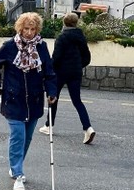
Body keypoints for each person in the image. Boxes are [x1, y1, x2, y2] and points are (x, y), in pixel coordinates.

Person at [0, 12, 58, 190]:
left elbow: (49, 72)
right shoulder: (10, 46)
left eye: (32, 29)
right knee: (18, 135)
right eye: (26, 28)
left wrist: (52, 92)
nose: (28, 32)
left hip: (34, 100)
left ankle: (15, 166)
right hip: (14, 99)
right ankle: (18, 175)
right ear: (20, 28)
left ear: (37, 29)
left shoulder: (41, 47)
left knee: (27, 138)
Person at [40, 12, 95, 144]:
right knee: (77, 101)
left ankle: (49, 125)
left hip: (60, 72)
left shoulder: (62, 37)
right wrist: (77, 66)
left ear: (64, 23)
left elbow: (56, 57)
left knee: (53, 97)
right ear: (76, 23)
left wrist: (49, 71)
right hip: (75, 72)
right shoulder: (81, 37)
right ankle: (88, 128)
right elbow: (87, 57)